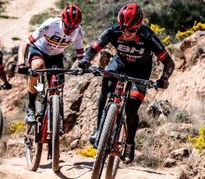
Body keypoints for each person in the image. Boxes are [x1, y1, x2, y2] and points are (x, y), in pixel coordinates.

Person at [78, 3, 175, 163]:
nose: (125, 32)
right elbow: (94, 48)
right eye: (123, 28)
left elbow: (169, 62)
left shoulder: (148, 36)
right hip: (120, 64)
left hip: (141, 70)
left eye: (130, 30)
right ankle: (99, 130)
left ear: (138, 27)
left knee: (132, 106)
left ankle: (129, 142)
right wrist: (85, 60)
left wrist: (163, 79)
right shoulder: (113, 31)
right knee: (106, 89)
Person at [17, 4, 85, 123]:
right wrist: (21, 62)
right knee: (38, 67)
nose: (70, 30)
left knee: (58, 86)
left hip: (56, 56)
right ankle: (31, 107)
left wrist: (83, 65)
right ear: (63, 20)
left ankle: (56, 114)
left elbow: (80, 53)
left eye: (73, 27)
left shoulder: (78, 31)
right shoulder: (51, 25)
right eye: (68, 26)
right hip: (39, 50)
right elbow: (25, 43)